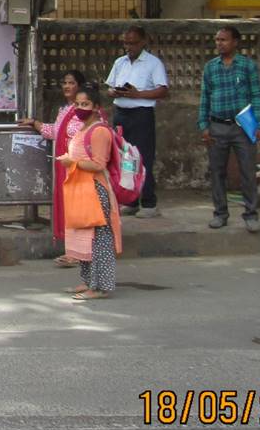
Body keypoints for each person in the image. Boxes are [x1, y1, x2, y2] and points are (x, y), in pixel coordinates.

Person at [200, 26, 260, 233]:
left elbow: (257, 96)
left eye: (223, 40)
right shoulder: (210, 67)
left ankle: (251, 214)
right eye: (217, 40)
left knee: (248, 172)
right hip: (217, 126)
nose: (219, 43)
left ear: (235, 42)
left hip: (242, 128)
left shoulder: (247, 66)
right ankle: (220, 214)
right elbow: (205, 97)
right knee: (217, 172)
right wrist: (204, 125)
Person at [57, 83, 122, 301]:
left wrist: (71, 162)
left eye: (85, 104)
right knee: (84, 238)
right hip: (81, 189)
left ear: (96, 107)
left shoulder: (99, 131)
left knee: (98, 239)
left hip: (95, 189)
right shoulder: (84, 128)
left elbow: (98, 164)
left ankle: (100, 287)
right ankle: (87, 281)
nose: (80, 108)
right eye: (77, 104)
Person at [19, 70, 87, 265]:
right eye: (64, 82)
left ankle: (81, 252)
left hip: (80, 166)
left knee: (79, 208)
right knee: (68, 207)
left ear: (80, 86)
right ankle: (73, 251)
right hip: (65, 165)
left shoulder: (87, 111)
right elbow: (55, 132)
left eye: (71, 83)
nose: (67, 86)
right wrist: (35, 123)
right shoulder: (65, 109)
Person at [106, 24, 168, 216]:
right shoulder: (120, 62)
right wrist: (115, 91)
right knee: (124, 157)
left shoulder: (153, 63)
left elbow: (163, 90)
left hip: (141, 115)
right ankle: (130, 200)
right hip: (120, 113)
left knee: (143, 157)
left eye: (133, 43)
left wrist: (137, 94)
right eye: (126, 43)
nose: (129, 47)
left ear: (143, 42)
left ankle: (149, 204)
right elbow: (109, 87)